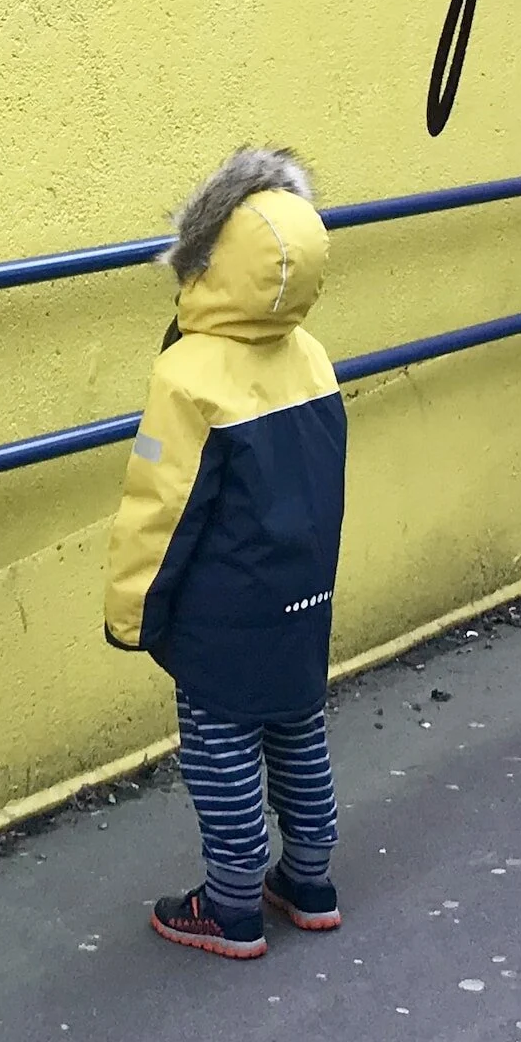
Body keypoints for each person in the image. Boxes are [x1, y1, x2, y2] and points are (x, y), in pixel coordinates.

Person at [103, 147, 348, 958]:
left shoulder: (188, 373)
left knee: (221, 747)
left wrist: (131, 612)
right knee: (298, 728)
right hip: (302, 595)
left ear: (205, 261)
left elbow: (159, 507)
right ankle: (308, 877)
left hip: (223, 609)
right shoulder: (311, 356)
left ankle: (233, 901)